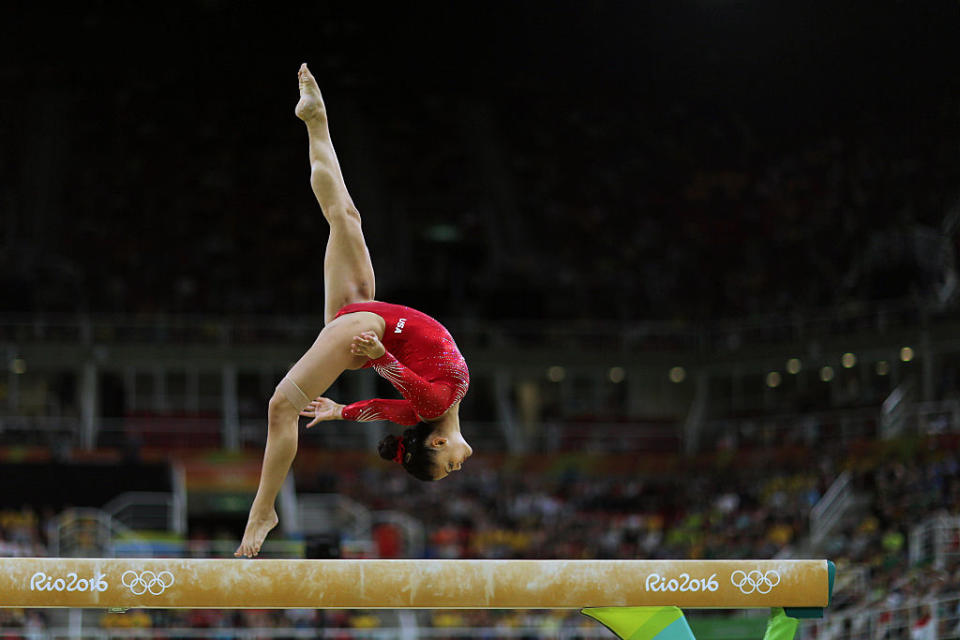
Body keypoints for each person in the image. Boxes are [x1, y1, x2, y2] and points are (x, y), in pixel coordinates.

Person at [235, 64, 473, 558]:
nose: (458, 463)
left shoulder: (434, 406)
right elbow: (387, 409)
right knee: (344, 216)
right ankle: (315, 120)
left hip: (367, 331)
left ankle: (264, 510)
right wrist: (341, 411)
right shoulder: (435, 408)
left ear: (435, 444)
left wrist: (381, 356)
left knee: (281, 409)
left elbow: (407, 389)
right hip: (367, 318)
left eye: (448, 465)